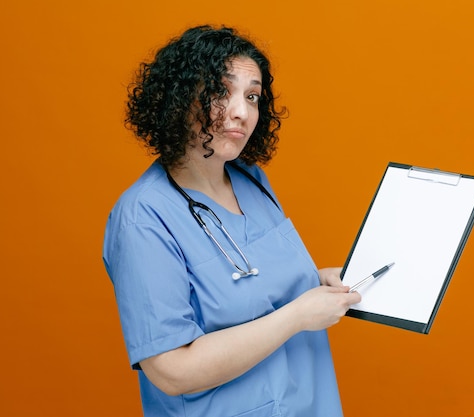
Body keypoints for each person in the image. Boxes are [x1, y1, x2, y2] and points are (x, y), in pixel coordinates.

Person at [102, 25, 361, 417]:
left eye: (252, 96)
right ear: (179, 98)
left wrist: (316, 281)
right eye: (221, 91)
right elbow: (171, 370)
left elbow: (255, 283)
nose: (241, 111)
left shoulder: (252, 181)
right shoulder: (143, 217)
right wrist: (298, 315)